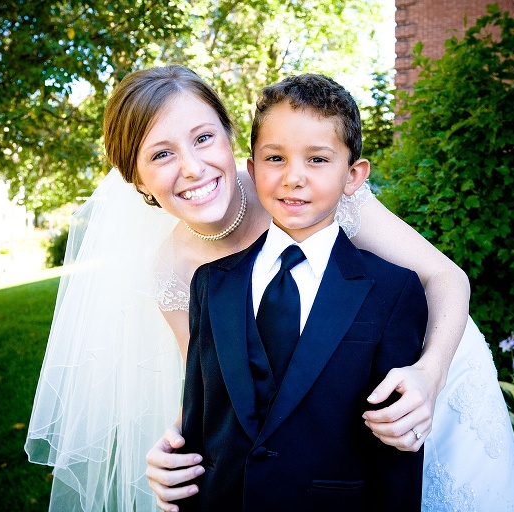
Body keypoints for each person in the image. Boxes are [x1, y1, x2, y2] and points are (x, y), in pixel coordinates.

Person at [23, 64, 513, 512]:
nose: (192, 168)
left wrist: (429, 375)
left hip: (425, 367)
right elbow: (212, 381)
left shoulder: (299, 188)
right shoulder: (174, 271)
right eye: (162, 154)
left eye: (203, 138)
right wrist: (171, 447)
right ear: (138, 181)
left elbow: (444, 277)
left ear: (230, 137)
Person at [176, 73, 428, 511]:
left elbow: (397, 446)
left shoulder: (391, 290)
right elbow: (200, 421)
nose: (293, 177)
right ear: (251, 170)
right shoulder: (210, 284)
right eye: (275, 158)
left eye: (317, 160)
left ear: (353, 175)